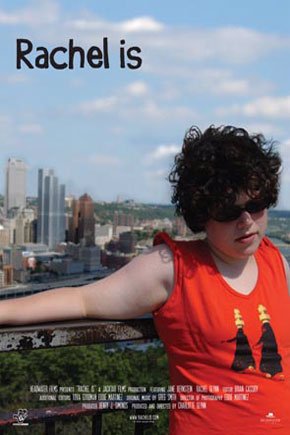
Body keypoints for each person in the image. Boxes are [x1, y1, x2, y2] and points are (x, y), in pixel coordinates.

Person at [0, 125, 289, 434]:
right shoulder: (173, 267)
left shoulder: (277, 263)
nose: (246, 221)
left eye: (255, 205)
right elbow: (82, 300)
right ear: (202, 213)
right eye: (229, 211)